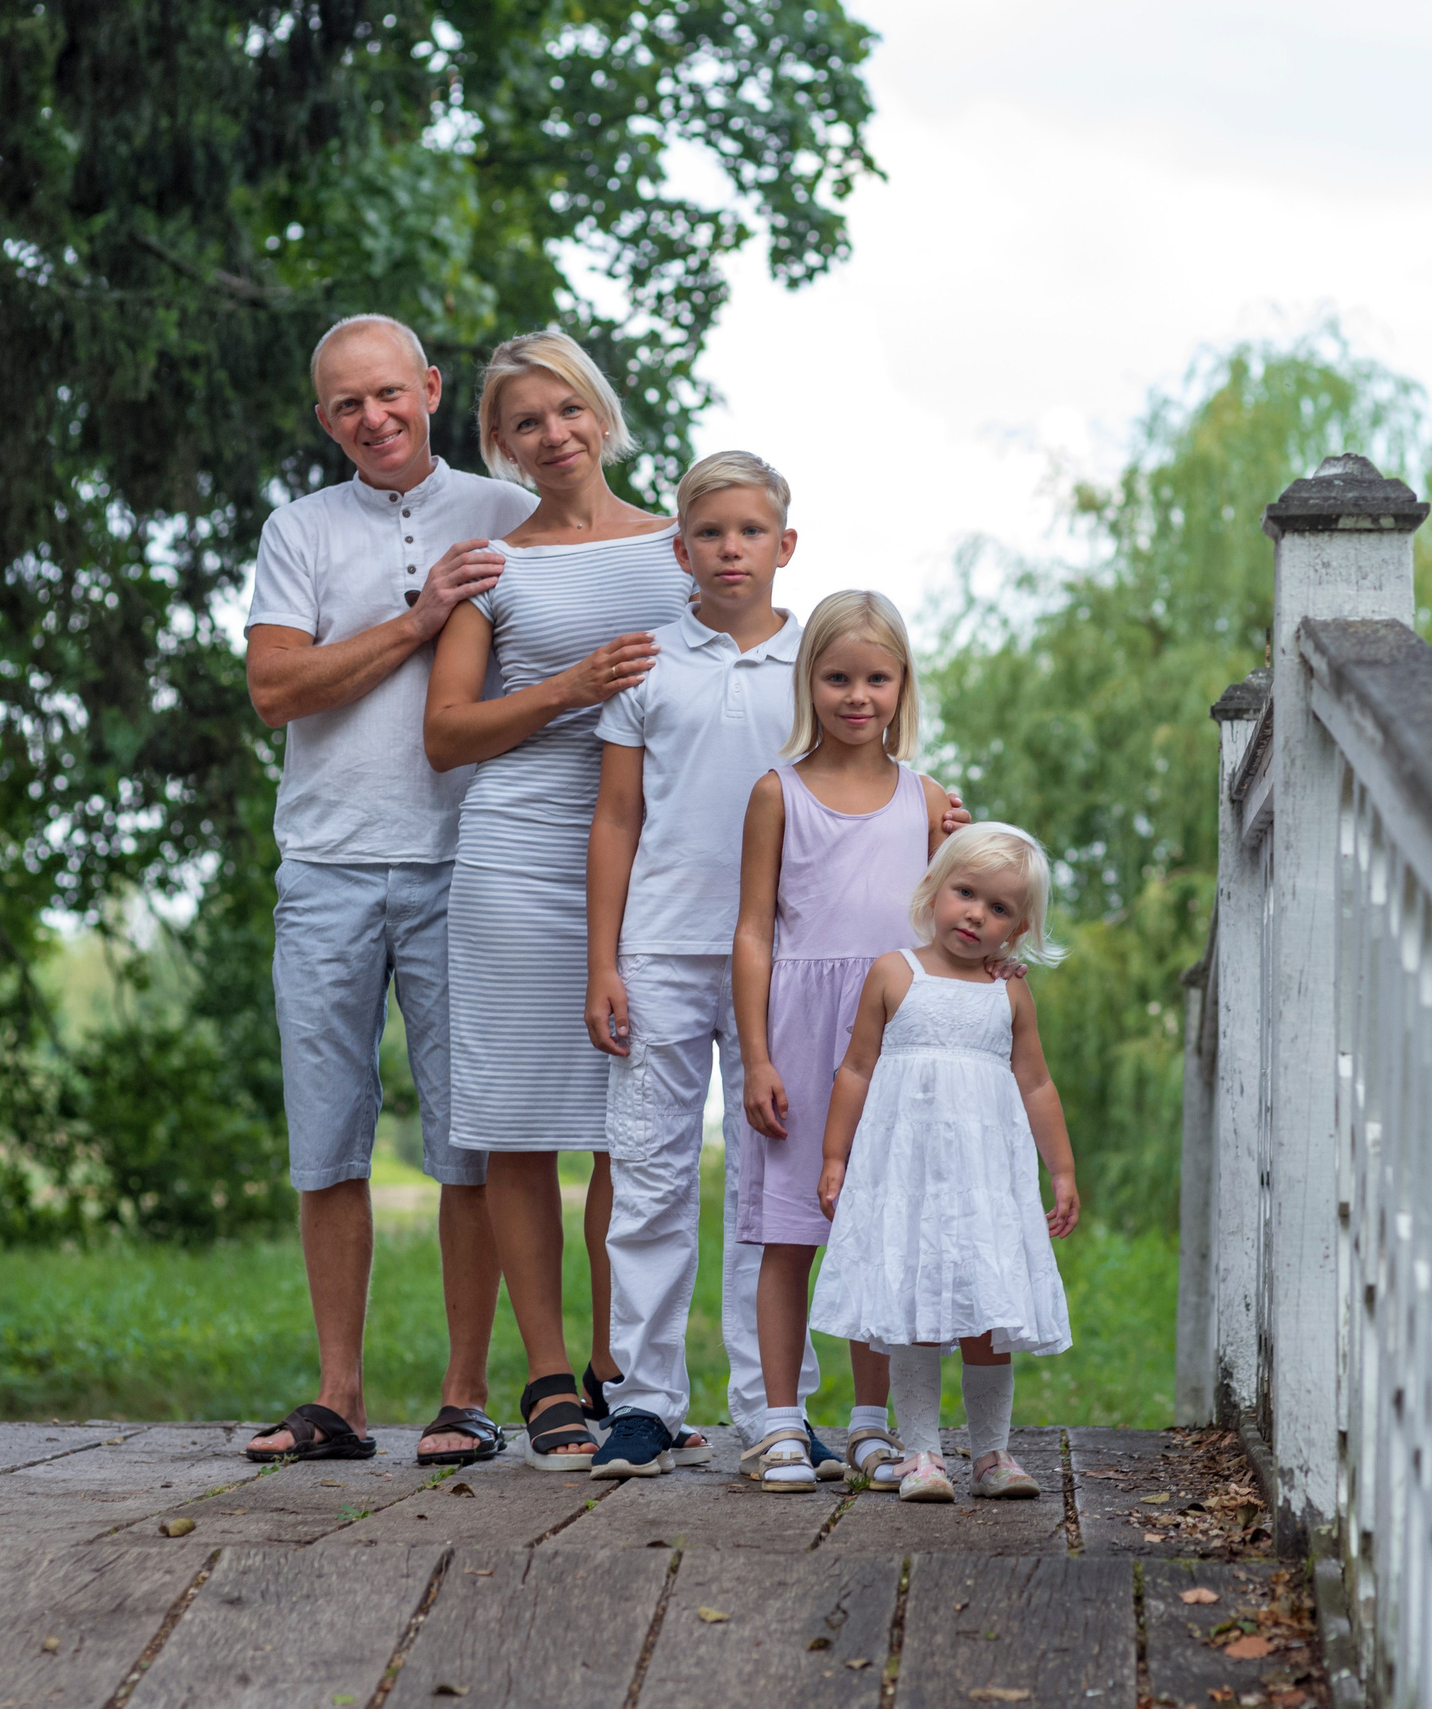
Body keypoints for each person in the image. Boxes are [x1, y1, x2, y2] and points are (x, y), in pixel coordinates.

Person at [582, 460, 972, 1479]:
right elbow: (616, 815)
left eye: (750, 530)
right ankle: (645, 1401)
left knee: (775, 1189)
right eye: (708, 531)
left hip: (796, 969)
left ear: (783, 545)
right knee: (651, 1176)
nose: (729, 548)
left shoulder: (826, 659)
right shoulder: (645, 663)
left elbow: (877, 789)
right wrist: (602, 961)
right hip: (664, 944)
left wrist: (941, 823)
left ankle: (772, 1407)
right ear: (681, 548)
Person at [240, 314, 532, 1466]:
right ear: (325, 421)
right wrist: (416, 621)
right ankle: (340, 1398)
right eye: (345, 404)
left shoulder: (507, 517)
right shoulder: (299, 529)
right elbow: (276, 687)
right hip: (326, 866)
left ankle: (465, 1396)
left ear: (429, 387)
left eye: (388, 393)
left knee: (471, 1139)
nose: (372, 417)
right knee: (328, 1141)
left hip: (477, 865)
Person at [424, 328, 693, 1470]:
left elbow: (773, 680)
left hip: (649, 861)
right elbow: (446, 735)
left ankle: (620, 1365)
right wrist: (571, 688)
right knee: (516, 1122)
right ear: (500, 442)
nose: (552, 434)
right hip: (515, 856)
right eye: (525, 421)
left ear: (600, 413)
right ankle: (545, 1378)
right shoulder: (497, 568)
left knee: (625, 1131)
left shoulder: (685, 549)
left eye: (567, 411)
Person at [731, 591, 964, 1491]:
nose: (856, 694)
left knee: (881, 1228)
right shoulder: (775, 793)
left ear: (902, 684)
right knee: (787, 1230)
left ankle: (874, 1424)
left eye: (876, 676)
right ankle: (781, 1421)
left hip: (895, 1041)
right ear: (809, 681)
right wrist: (756, 1055)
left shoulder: (929, 799)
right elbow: (754, 930)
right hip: (798, 1029)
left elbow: (963, 917)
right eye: (837, 676)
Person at [809, 822, 1079, 1503]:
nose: (975, 915)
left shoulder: (1008, 992)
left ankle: (992, 1452)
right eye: (965, 893)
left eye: (998, 909)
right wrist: (835, 1154)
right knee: (916, 1312)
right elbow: (856, 1069)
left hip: (985, 1186)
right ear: (935, 889)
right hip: (911, 1181)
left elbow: (1037, 1083)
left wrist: (1063, 1170)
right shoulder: (894, 972)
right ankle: (923, 1453)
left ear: (1016, 931)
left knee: (989, 1314)